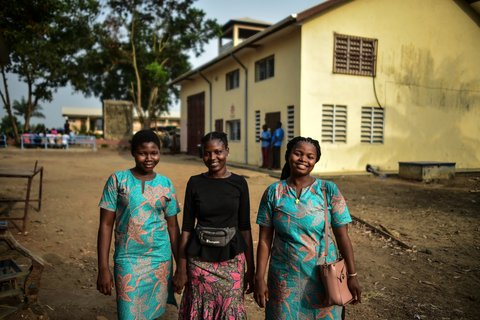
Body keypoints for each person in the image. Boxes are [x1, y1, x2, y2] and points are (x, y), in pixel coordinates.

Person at [254, 136, 361, 319]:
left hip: (323, 278)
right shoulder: (274, 192)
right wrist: (259, 277)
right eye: (298, 154)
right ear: (289, 156)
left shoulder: (328, 190)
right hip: (283, 280)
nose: (303, 159)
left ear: (315, 161)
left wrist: (352, 274)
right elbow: (264, 240)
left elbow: (343, 236)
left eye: (310, 156)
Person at [97, 129, 181, 319]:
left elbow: (173, 227)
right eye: (143, 153)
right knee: (128, 314)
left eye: (154, 152)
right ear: (133, 153)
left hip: (159, 258)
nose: (149, 158)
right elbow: (105, 225)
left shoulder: (166, 183)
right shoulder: (117, 180)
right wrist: (103, 267)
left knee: (153, 313)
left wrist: (181, 266)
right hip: (128, 258)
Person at [175, 131, 255, 320]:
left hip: (232, 261)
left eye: (218, 152)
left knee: (231, 308)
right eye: (207, 153)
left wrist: (251, 269)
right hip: (199, 262)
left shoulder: (239, 183)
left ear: (227, 151)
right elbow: (186, 229)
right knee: (200, 307)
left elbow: (245, 228)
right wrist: (181, 268)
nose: (212, 158)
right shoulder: (195, 183)